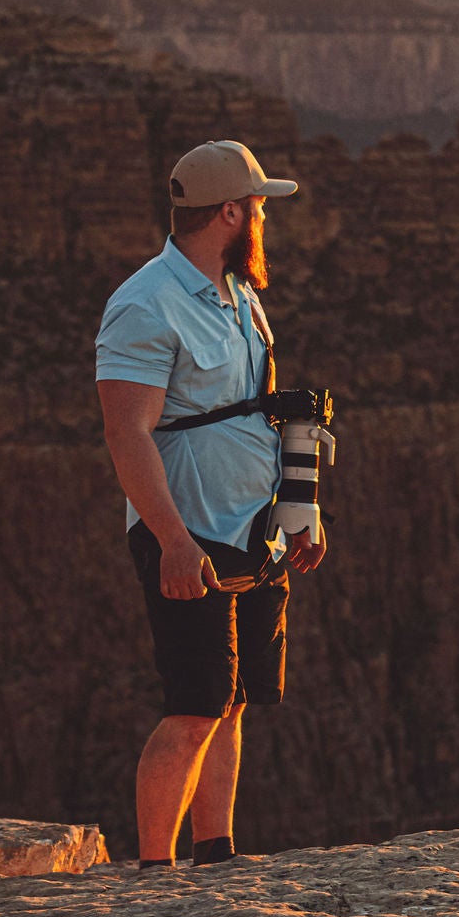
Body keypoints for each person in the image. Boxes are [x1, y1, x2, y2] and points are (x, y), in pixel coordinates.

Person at [94, 140, 325, 869]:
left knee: (232, 701)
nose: (264, 216)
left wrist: (300, 510)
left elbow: (262, 412)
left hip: (254, 527)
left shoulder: (238, 295)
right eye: (258, 205)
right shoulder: (145, 302)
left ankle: (215, 853)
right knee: (194, 703)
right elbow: (126, 431)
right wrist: (171, 538)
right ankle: (156, 872)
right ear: (229, 211)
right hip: (188, 528)